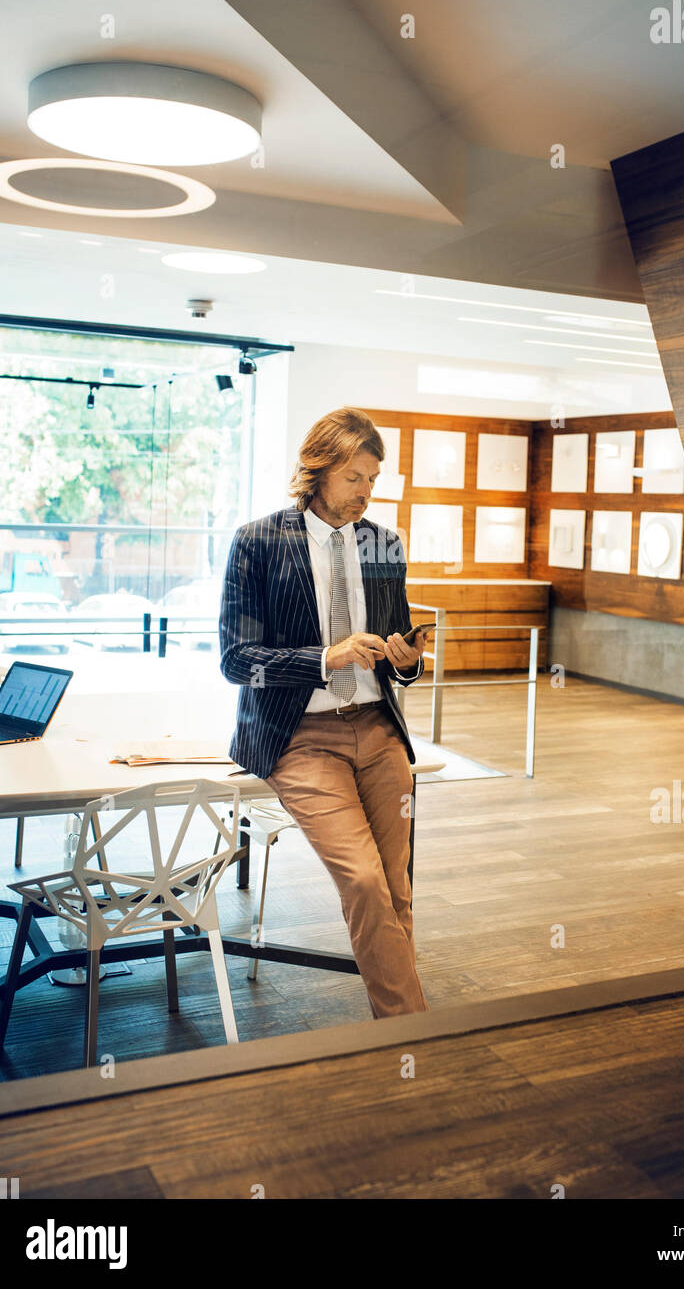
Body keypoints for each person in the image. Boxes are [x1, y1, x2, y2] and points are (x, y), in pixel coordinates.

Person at [219, 407, 429, 1017]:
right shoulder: (258, 541)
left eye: (373, 479)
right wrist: (326, 658)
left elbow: (396, 650)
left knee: (397, 888)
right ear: (319, 469)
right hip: (299, 737)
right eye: (355, 478)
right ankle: (415, 1035)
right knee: (364, 881)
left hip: (377, 729)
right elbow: (237, 659)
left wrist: (407, 658)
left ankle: (399, 1028)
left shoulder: (384, 543)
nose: (367, 493)